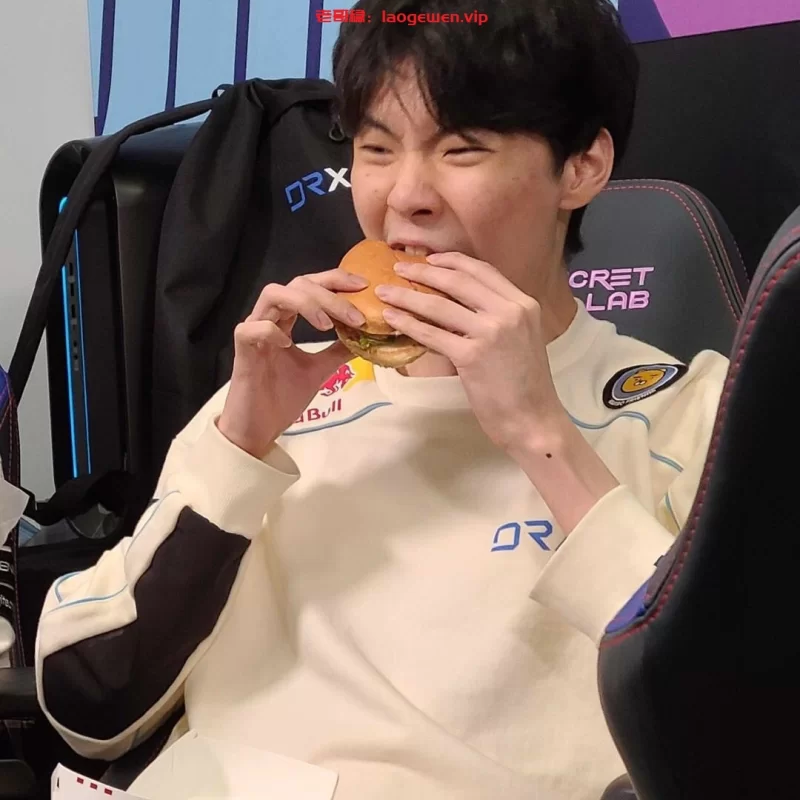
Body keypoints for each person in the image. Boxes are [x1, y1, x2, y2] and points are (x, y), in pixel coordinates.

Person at [34, 1, 730, 798]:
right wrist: (237, 453)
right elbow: (87, 706)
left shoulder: (692, 414)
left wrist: (540, 435)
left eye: (462, 148)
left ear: (581, 166)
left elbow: (727, 733)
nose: (406, 196)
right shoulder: (270, 401)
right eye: (375, 148)